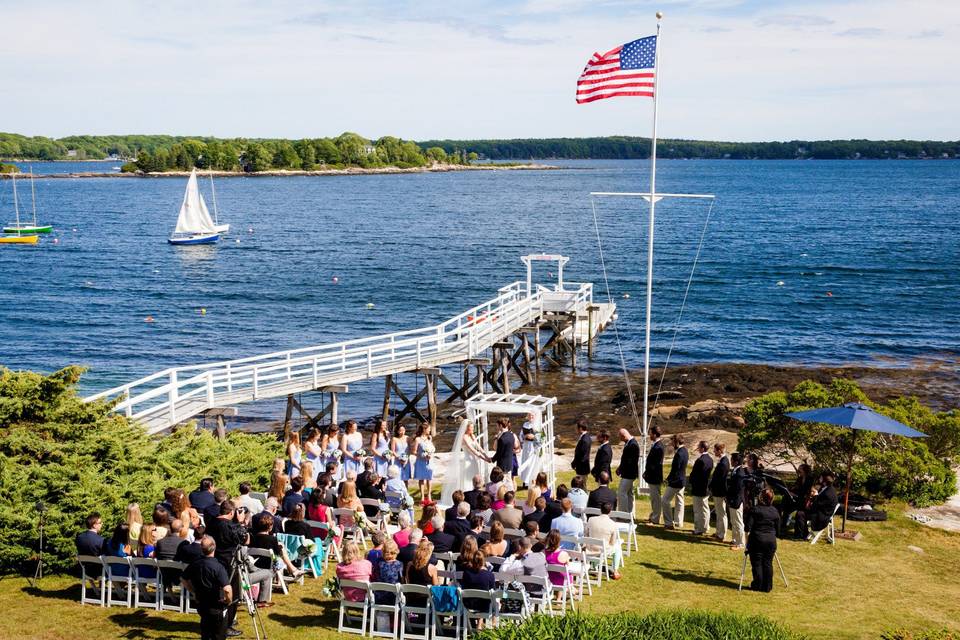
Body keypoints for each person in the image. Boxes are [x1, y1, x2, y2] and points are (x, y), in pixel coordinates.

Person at [206, 500, 251, 635]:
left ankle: (218, 620)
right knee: (232, 595)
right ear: (232, 512)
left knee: (215, 593)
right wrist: (242, 523)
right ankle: (227, 626)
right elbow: (246, 540)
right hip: (229, 563)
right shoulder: (230, 527)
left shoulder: (211, 523)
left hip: (213, 562)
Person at [182, 536, 232, 640]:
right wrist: (228, 600)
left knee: (205, 632)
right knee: (218, 634)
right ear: (214, 547)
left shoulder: (195, 563)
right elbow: (227, 589)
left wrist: (193, 592)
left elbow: (183, 579)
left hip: (202, 604)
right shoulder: (218, 567)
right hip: (216, 606)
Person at [745, 488, 780, 592]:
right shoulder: (775, 511)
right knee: (768, 563)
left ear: (760, 498)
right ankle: (767, 586)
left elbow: (747, 527)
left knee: (757, 563)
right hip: (770, 540)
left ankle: (757, 585)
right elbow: (778, 530)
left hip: (757, 540)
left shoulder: (755, 509)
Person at [585, 502, 622, 579]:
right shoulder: (613, 524)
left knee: (600, 545)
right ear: (610, 511)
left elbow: (586, 534)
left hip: (590, 548)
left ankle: (595, 567)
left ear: (600, 510)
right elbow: (612, 542)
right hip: (602, 550)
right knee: (618, 546)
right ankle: (615, 571)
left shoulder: (591, 519)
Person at [795, 472, 838, 539]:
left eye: (821, 478)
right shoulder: (826, 488)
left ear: (824, 480)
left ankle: (802, 535)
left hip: (822, 515)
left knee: (800, 513)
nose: (819, 479)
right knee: (801, 509)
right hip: (820, 511)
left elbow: (817, 505)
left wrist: (815, 496)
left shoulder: (828, 493)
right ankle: (801, 533)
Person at [662, 434, 688, 530]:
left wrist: (668, 479)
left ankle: (668, 522)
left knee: (665, 500)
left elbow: (675, 469)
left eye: (673, 442)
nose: (671, 444)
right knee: (680, 502)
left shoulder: (679, 453)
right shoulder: (685, 451)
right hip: (682, 480)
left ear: (676, 442)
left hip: (676, 481)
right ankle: (678, 522)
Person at [780, 463, 813, 537]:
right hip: (798, 499)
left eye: (800, 469)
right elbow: (795, 488)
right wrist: (790, 491)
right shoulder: (799, 478)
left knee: (788, 502)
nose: (798, 471)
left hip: (805, 500)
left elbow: (808, 493)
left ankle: (784, 522)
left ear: (805, 470)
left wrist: (795, 495)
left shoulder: (810, 480)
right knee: (786, 500)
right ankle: (783, 521)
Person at [459, 548, 496, 615]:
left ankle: (479, 623)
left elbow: (463, 586)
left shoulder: (466, 573)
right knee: (492, 599)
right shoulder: (490, 575)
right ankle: (485, 623)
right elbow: (493, 591)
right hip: (484, 606)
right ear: (483, 561)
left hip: (468, 604)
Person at [689, 440, 715, 535]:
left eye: (699, 447)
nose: (698, 448)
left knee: (697, 510)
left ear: (703, 448)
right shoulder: (710, 460)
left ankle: (699, 528)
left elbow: (694, 474)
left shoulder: (700, 460)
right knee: (705, 509)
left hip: (698, 487)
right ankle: (706, 527)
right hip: (706, 487)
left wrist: (691, 481)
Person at [403, 540, 439, 607]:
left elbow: (408, 581)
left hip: (411, 599)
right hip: (426, 602)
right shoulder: (432, 568)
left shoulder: (409, 565)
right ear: (429, 553)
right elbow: (436, 587)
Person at [642, 426, 665, 524]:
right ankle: (653, 516)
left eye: (650, 433)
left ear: (655, 434)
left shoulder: (658, 447)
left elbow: (655, 464)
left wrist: (648, 473)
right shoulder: (656, 445)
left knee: (656, 499)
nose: (649, 435)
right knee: (653, 498)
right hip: (652, 475)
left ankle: (655, 518)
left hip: (655, 476)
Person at [616, 428, 640, 515]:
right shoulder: (629, 443)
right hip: (628, 473)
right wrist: (620, 467)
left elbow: (630, 462)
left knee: (621, 493)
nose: (620, 440)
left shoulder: (633, 445)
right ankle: (630, 513)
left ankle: (623, 514)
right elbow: (625, 459)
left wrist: (621, 469)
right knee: (629, 494)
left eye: (621, 438)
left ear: (624, 436)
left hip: (629, 474)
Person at [411, 422, 436, 505]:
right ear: (424, 429)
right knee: (421, 479)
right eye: (429, 429)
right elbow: (414, 451)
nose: (430, 430)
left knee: (429, 478)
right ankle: (422, 497)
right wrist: (422, 455)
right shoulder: (418, 439)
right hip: (421, 461)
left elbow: (432, 449)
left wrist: (430, 454)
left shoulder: (430, 438)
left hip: (429, 461)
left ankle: (429, 495)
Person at [710, 443, 730, 542]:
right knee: (718, 512)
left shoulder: (724, 462)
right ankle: (718, 532)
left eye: (715, 450)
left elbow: (720, 479)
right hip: (717, 490)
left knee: (721, 513)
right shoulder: (722, 461)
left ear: (719, 451)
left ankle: (722, 535)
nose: (714, 452)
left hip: (720, 491)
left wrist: (712, 486)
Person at [726, 452, 747, 550]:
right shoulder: (735, 471)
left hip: (737, 500)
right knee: (733, 521)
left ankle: (741, 543)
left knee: (738, 522)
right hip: (732, 499)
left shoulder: (740, 473)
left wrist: (732, 498)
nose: (731, 461)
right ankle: (735, 539)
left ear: (736, 461)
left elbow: (737, 489)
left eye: (732, 460)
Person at [518, 412, 543, 488]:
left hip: (534, 446)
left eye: (532, 415)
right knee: (526, 463)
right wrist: (524, 437)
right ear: (527, 416)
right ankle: (525, 481)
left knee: (532, 463)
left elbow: (542, 437)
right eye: (529, 415)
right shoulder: (525, 424)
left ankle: (532, 481)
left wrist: (534, 437)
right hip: (526, 446)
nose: (531, 416)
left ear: (535, 416)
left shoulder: (538, 425)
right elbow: (520, 435)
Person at [543, 530, 571, 598]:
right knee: (565, 573)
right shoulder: (563, 554)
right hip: (561, 581)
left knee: (559, 574)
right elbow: (568, 566)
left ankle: (569, 591)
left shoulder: (543, 552)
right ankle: (561, 596)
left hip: (548, 578)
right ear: (559, 540)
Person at [375, 539, 403, 604]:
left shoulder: (379, 562)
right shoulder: (399, 564)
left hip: (379, 595)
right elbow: (401, 579)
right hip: (393, 596)